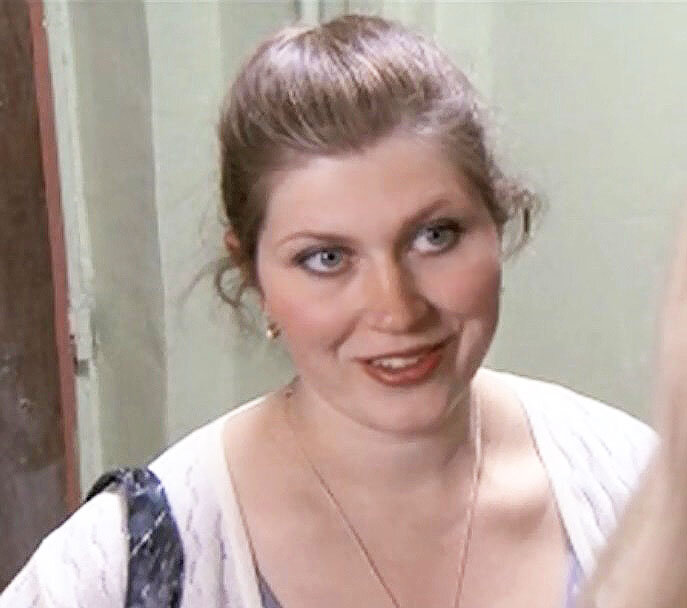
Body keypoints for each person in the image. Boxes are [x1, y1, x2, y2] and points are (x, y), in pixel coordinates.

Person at [0, 14, 657, 608]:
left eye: (435, 236)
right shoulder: (138, 557)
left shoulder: (634, 484)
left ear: (498, 220)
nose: (396, 310)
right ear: (252, 274)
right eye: (326, 258)